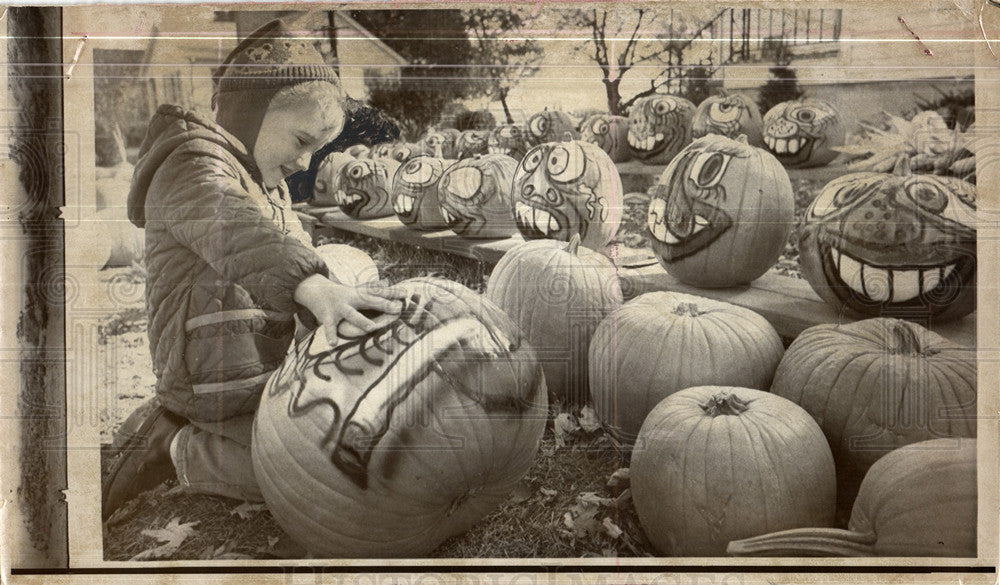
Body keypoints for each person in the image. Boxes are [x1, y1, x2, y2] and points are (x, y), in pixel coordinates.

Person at [102, 19, 407, 520]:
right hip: (209, 384)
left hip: (259, 375)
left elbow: (291, 247)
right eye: (301, 140)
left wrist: (339, 294)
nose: (306, 165)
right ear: (249, 112)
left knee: (343, 455)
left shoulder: (269, 184)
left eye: (317, 150)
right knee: (299, 479)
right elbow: (244, 233)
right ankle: (173, 445)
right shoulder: (191, 167)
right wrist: (311, 284)